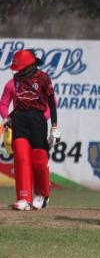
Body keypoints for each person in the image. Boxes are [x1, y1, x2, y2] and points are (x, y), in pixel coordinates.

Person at [7, 49, 60, 211]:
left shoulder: (43, 78)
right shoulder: (16, 79)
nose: (18, 71)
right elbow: (21, 103)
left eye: (21, 67)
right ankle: (23, 198)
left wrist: (54, 127)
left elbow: (51, 102)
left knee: (39, 160)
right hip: (20, 120)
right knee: (21, 158)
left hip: (38, 121)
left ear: (30, 66)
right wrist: (9, 118)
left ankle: (42, 194)